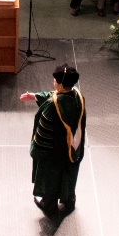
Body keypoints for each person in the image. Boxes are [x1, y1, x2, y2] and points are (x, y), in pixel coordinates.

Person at [21, 63, 88, 215]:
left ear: (59, 83)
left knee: (52, 178)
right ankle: (68, 201)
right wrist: (35, 96)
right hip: (73, 147)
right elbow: (58, 96)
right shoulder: (78, 96)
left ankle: (49, 205)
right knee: (69, 174)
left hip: (54, 152)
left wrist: (36, 151)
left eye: (54, 81)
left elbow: (42, 133)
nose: (53, 82)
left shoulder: (52, 107)